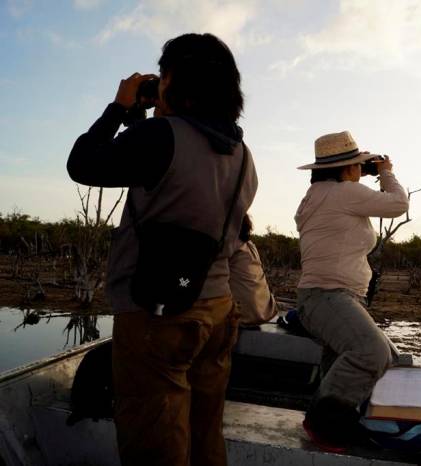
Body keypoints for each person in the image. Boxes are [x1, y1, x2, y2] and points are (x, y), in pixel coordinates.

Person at [66, 33, 257, 466]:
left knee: (154, 438)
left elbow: (82, 163)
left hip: (158, 315)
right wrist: (146, 119)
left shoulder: (160, 137)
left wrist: (119, 107)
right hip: (218, 309)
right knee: (205, 431)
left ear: (174, 80)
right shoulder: (243, 153)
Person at [294, 131, 409, 447]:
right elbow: (399, 203)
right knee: (372, 352)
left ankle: (327, 424)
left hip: (326, 298)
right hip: (329, 295)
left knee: (341, 361)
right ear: (347, 169)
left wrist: (361, 170)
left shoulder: (317, 194)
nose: (362, 169)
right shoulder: (343, 193)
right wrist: (385, 171)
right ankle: (323, 426)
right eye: (356, 165)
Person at [229, 214, 278, 326]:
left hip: (242, 315)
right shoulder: (250, 246)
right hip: (266, 311)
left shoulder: (229, 245)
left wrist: (183, 282)